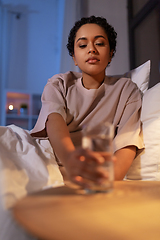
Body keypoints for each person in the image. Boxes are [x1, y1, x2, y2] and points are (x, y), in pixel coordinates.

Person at [31, 16, 144, 188]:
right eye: (83, 45)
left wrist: (110, 179)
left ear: (111, 53)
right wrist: (71, 161)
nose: (91, 49)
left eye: (99, 43)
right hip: (52, 159)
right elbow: (54, 120)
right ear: (74, 57)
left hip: (95, 172)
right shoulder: (59, 83)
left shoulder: (127, 90)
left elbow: (127, 141)